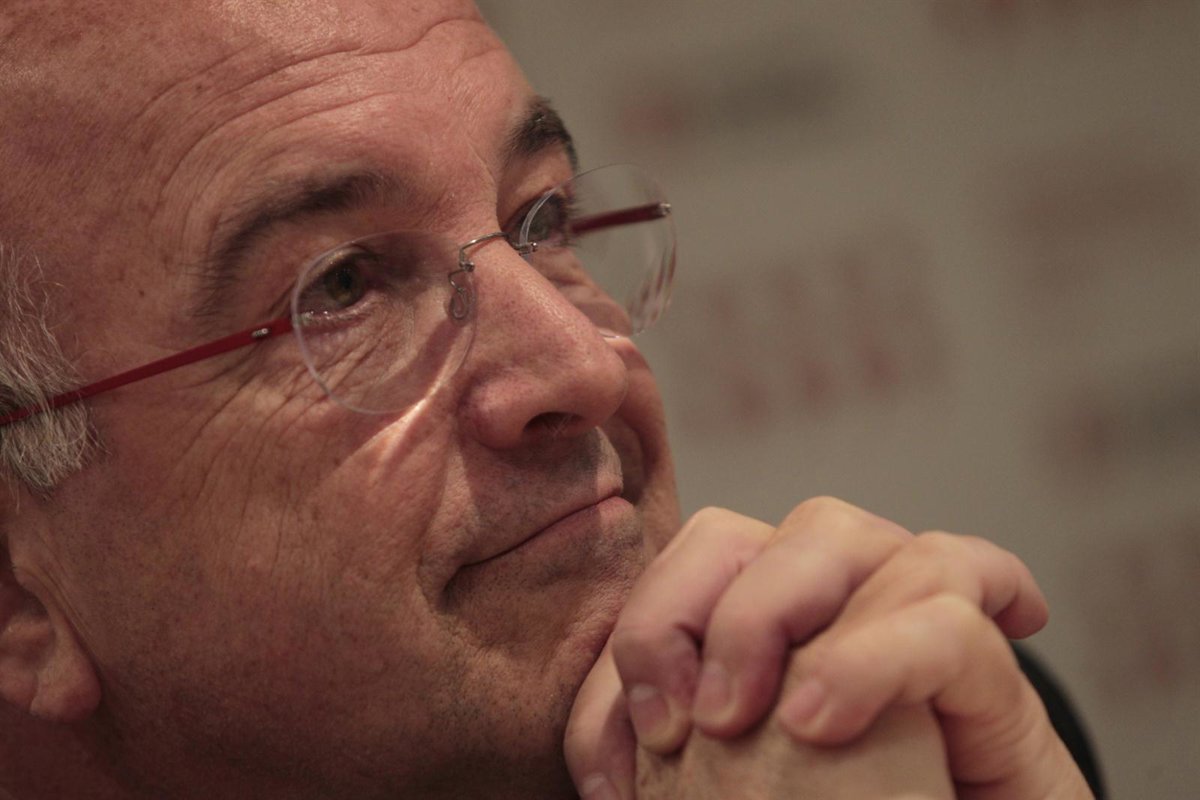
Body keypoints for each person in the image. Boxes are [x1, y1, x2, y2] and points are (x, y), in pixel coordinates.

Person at [0, 1, 1095, 797]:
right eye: (340, 286)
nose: (587, 364)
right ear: (15, 587)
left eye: (543, 220)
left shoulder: (902, 736)